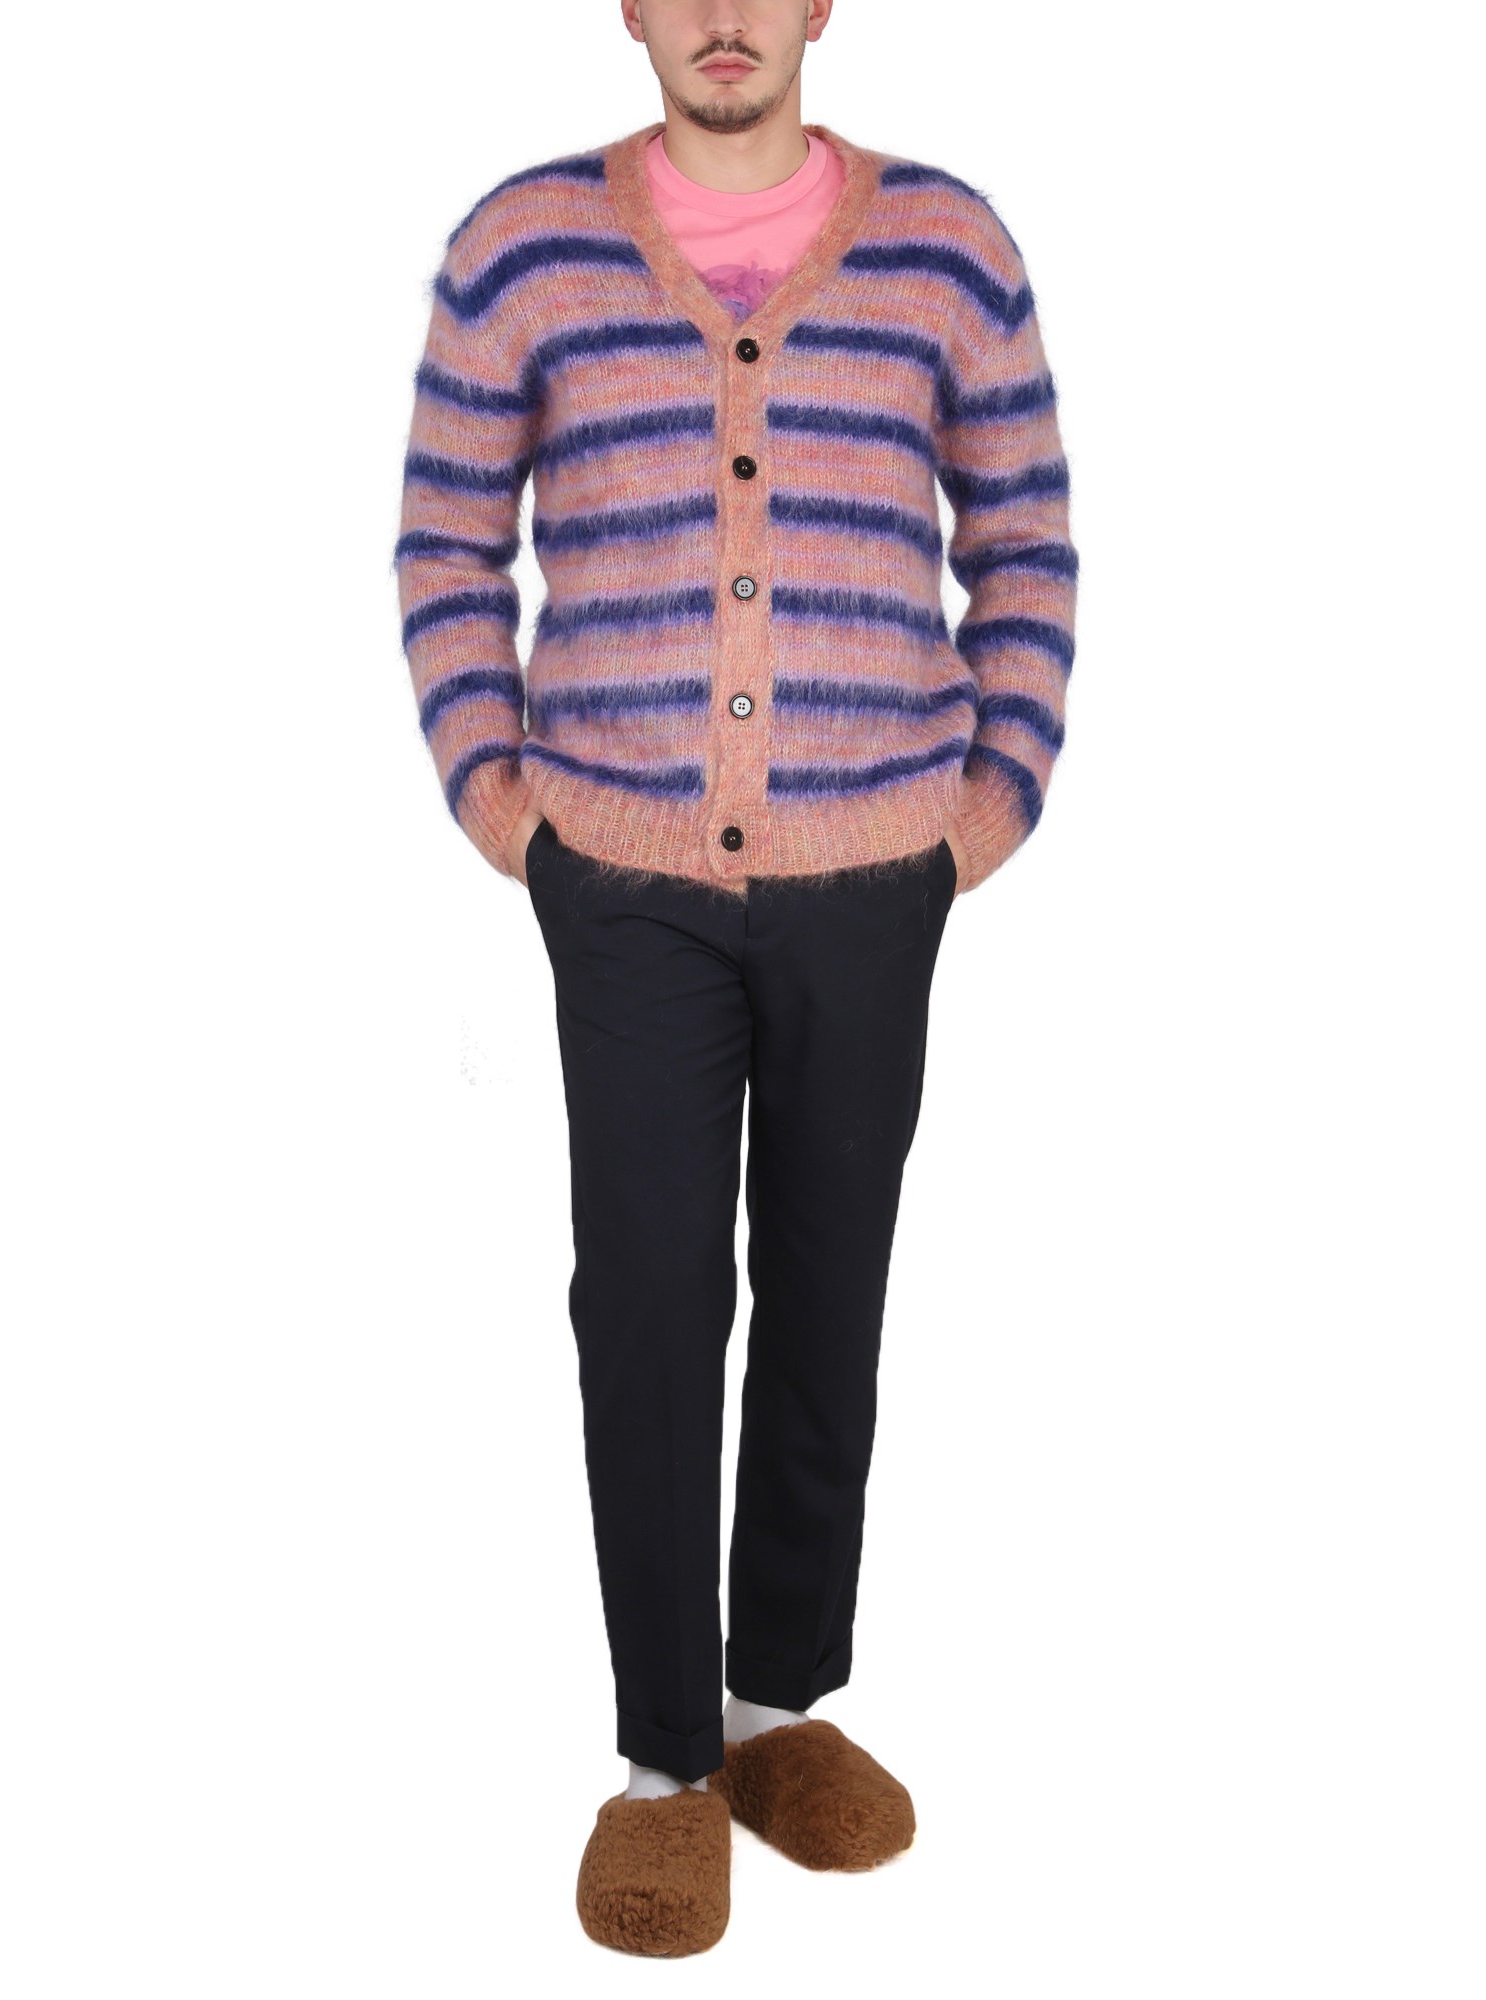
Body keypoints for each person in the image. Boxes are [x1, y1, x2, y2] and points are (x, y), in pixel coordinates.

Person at [393, 0, 1077, 1956]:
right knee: (651, 1296)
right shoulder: (523, 246)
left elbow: (1026, 542)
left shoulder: (949, 246)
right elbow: (447, 541)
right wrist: (505, 803)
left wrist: (984, 811)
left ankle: (779, 1706)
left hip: (878, 871)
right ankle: (663, 1760)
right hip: (620, 880)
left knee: (830, 1285)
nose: (720, 17)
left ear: (818, 5)